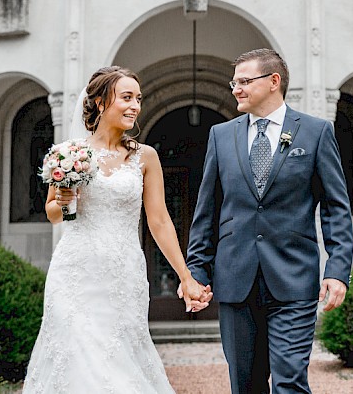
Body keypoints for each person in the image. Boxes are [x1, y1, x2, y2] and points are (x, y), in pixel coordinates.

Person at [23, 66, 213, 393]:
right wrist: (68, 196)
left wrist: (186, 277)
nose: (135, 106)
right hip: (74, 272)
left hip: (124, 273)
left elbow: (159, 220)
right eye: (126, 97)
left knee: (118, 359)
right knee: (77, 359)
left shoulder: (145, 157)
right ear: (100, 103)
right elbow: (56, 214)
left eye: (138, 99)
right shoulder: (68, 154)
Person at [187, 48, 353, 394]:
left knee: (290, 381)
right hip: (235, 279)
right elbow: (208, 211)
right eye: (234, 82)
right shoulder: (221, 136)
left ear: (273, 81)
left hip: (293, 279)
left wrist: (337, 269)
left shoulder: (316, 133)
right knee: (245, 385)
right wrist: (196, 272)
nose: (236, 89)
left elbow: (336, 207)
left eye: (245, 81)